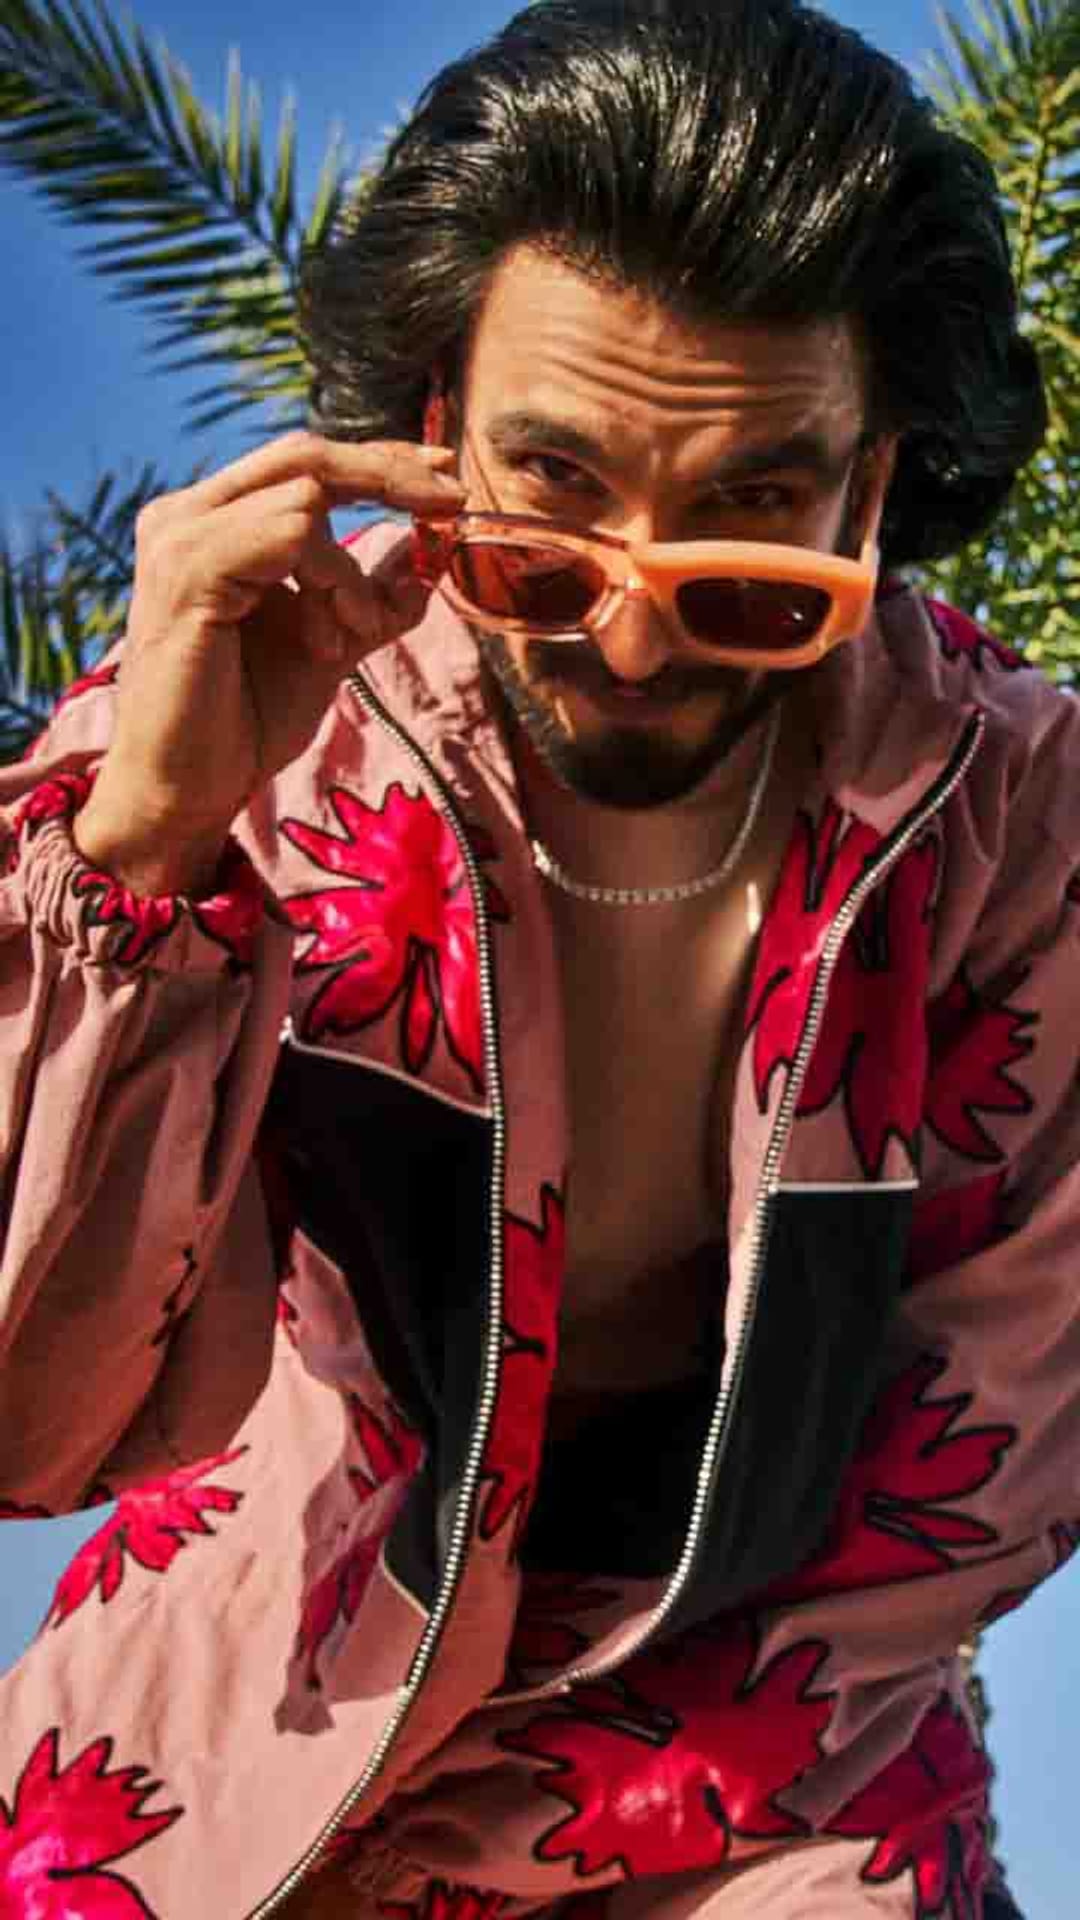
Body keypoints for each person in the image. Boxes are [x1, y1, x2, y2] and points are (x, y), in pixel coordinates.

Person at [0, 0, 1070, 1913]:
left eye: (754, 521)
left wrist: (536, 1824)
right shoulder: (224, 735)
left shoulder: (1031, 833)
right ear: (431, 428)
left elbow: (988, 1464)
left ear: (879, 482)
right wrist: (143, 858)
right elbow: (27, 1424)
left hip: (786, 1782)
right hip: (241, 1728)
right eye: (551, 500)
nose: (635, 638)